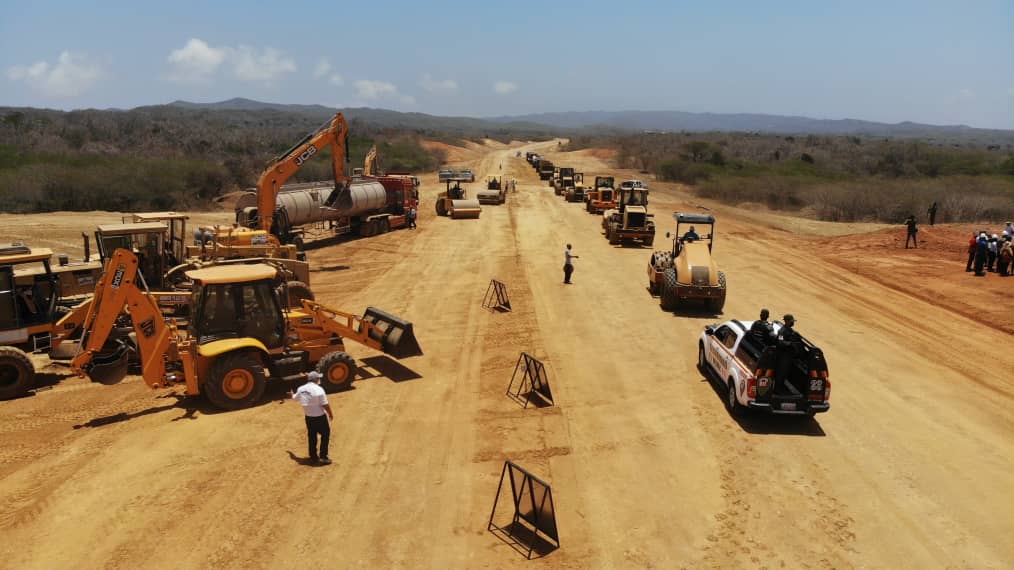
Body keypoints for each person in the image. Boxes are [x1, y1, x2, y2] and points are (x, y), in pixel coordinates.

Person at [290, 371, 333, 465]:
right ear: (315, 379)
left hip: (309, 418)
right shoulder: (319, 390)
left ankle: (313, 457)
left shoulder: (301, 389)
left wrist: (291, 394)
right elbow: (325, 404)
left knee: (312, 436)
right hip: (320, 417)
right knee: (325, 435)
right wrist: (330, 414)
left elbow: (294, 398)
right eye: (318, 378)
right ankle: (323, 457)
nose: (319, 380)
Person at [774, 314, 802, 386]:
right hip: (783, 356)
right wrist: (790, 343)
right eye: (791, 321)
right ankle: (777, 388)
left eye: (793, 321)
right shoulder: (782, 331)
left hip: (788, 356)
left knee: (785, 373)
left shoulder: (790, 330)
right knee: (781, 373)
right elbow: (780, 342)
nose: (793, 323)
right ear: (786, 321)